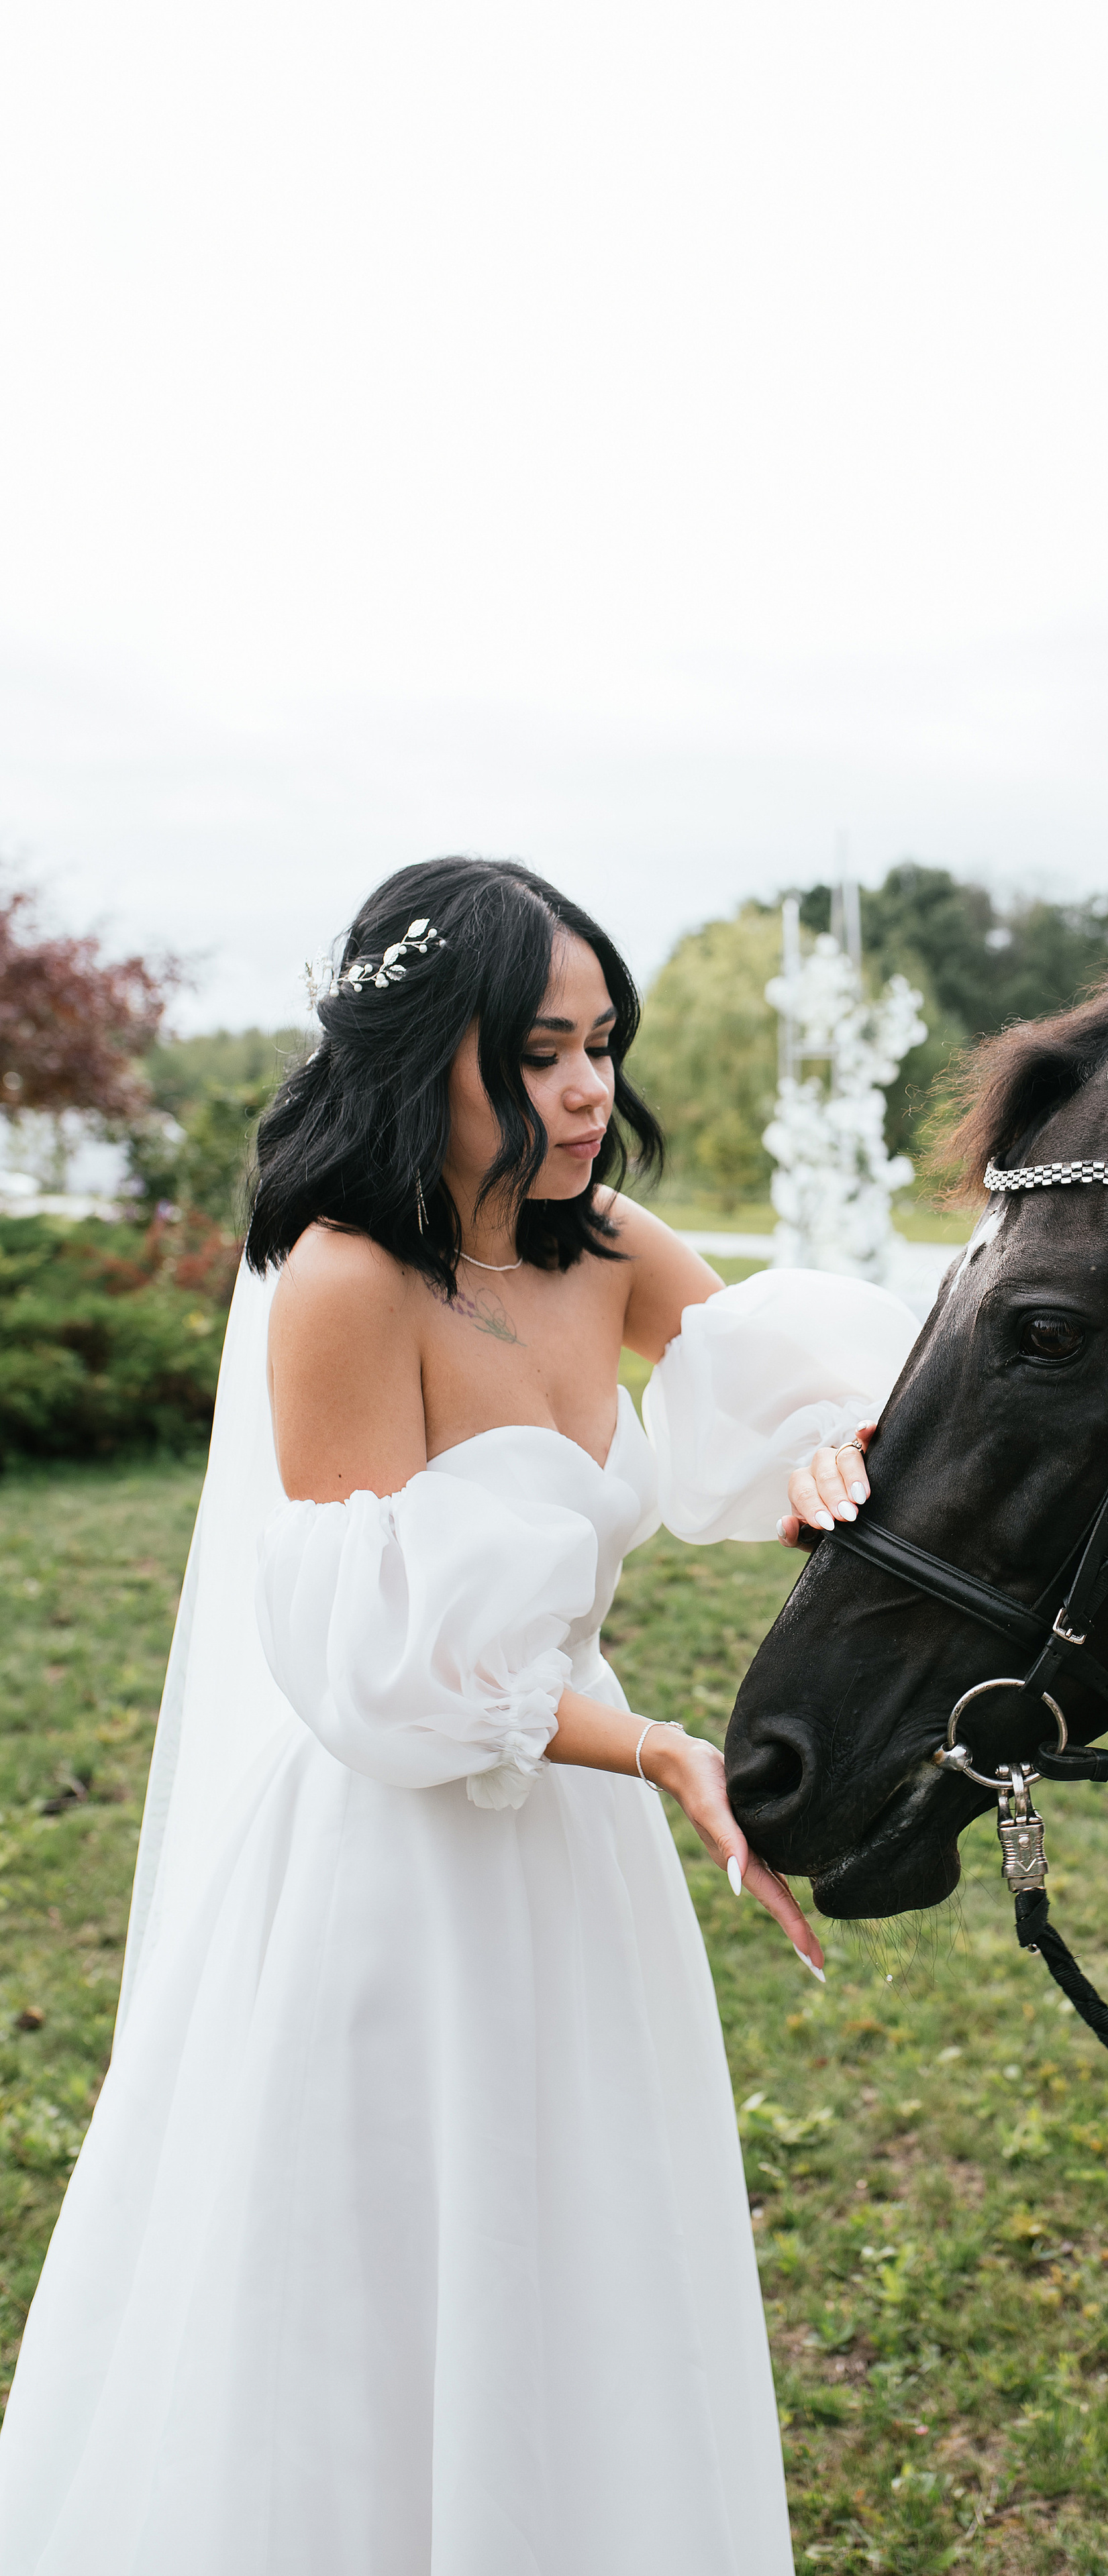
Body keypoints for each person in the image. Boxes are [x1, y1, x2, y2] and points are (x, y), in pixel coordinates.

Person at [0, 859, 918, 2574]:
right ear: (427, 1057)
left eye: (601, 1046)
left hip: (572, 1850)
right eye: (538, 1054)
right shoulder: (346, 1280)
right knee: (374, 2277)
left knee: (583, 2238)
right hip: (393, 1852)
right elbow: (388, 1669)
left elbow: (785, 1382)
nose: (585, 1094)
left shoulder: (602, 1244)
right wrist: (656, 1749)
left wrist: (828, 1451)